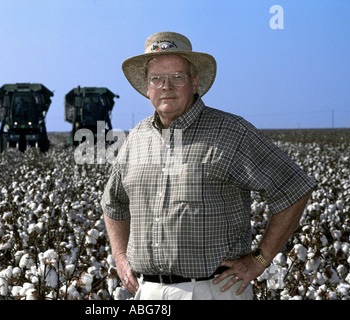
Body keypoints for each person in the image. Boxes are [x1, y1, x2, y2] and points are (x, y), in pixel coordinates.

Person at [101, 31, 316, 300]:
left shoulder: (231, 132)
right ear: (147, 87)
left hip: (213, 290)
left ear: (194, 82)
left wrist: (260, 260)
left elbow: (294, 188)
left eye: (177, 77)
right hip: (149, 293)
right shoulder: (136, 138)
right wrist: (120, 258)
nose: (166, 86)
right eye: (157, 78)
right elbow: (113, 203)